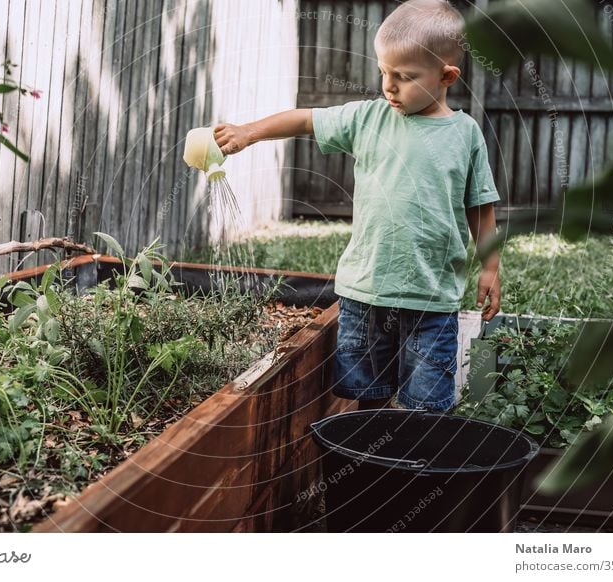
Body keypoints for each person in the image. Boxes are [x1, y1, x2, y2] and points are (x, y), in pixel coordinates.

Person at [212, 0, 500, 413]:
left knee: (426, 408)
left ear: (446, 76)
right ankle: (366, 465)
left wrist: (490, 267)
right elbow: (305, 120)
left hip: (432, 300)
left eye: (404, 77)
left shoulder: (464, 134)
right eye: (385, 72)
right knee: (367, 399)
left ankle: (413, 472)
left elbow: (480, 205)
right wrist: (249, 132)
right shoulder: (368, 119)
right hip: (365, 293)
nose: (390, 86)